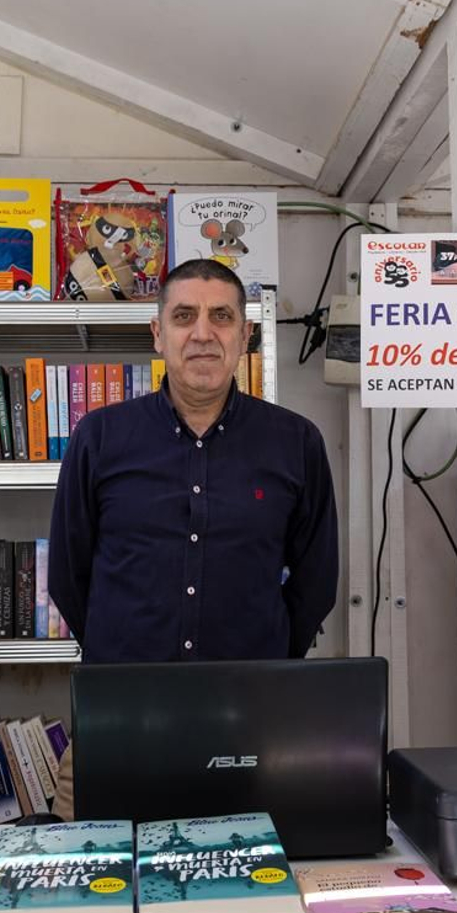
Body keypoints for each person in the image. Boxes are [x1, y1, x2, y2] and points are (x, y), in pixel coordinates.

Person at [47, 258, 340, 809]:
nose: (203, 333)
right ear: (158, 333)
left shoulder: (296, 443)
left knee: (252, 889)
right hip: (117, 728)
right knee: (96, 888)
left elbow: (316, 581)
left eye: (221, 317)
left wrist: (262, 665)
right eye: (184, 316)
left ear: (245, 336)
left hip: (251, 734)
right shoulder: (100, 439)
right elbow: (69, 575)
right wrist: (126, 654)